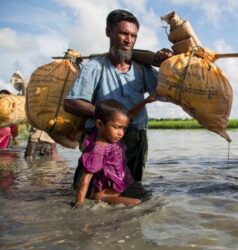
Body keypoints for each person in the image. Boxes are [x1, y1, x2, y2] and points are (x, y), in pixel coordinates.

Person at [64, 9, 172, 185]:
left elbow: (167, 95)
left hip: (136, 140)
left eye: (133, 36)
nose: (129, 40)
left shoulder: (142, 69)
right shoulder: (95, 67)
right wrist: (110, 117)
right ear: (109, 32)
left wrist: (168, 64)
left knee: (130, 187)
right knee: (89, 189)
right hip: (102, 139)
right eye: (123, 33)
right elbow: (70, 103)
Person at [73, 99, 141, 208]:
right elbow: (85, 181)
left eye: (124, 128)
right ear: (100, 124)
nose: (121, 133)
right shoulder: (98, 150)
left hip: (118, 190)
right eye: (116, 127)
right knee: (137, 203)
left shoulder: (112, 141)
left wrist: (145, 101)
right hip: (104, 196)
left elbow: (131, 116)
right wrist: (78, 206)